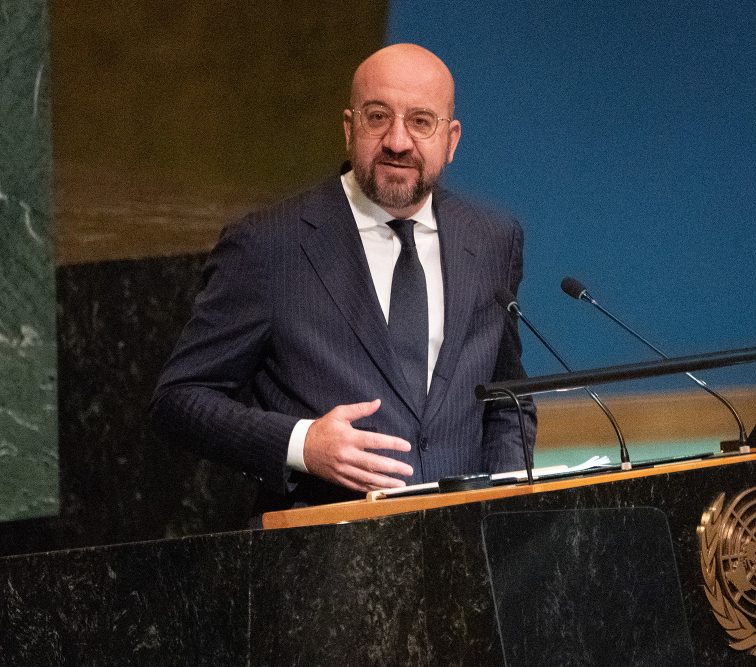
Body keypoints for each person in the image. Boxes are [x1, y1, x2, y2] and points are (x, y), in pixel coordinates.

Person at [151, 44, 536, 510]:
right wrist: (302, 444)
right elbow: (179, 399)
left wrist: (508, 500)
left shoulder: (493, 239)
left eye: (420, 121)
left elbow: (507, 399)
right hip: (324, 558)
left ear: (451, 140)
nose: (398, 141)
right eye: (378, 117)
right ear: (349, 129)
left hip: (463, 550)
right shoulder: (268, 246)